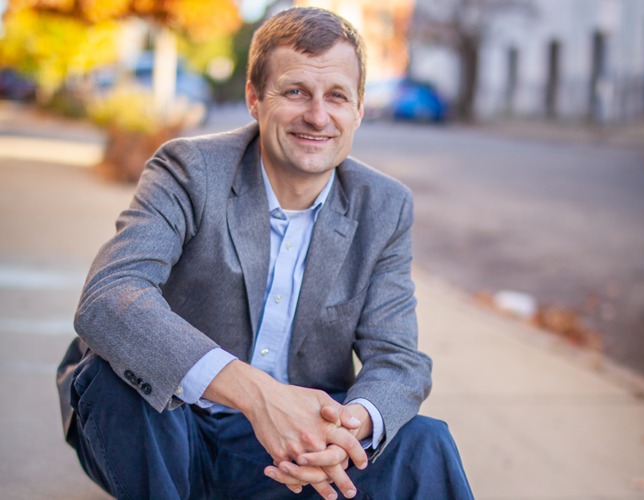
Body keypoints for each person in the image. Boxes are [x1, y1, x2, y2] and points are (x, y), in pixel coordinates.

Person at [56, 7, 474, 500]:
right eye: (295, 91)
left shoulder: (383, 206)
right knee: (119, 372)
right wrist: (260, 397)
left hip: (289, 457)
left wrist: (348, 431)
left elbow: (398, 359)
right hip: (168, 429)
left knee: (426, 445)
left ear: (359, 110)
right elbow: (109, 298)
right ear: (255, 99)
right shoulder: (190, 170)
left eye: (337, 96)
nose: (318, 116)